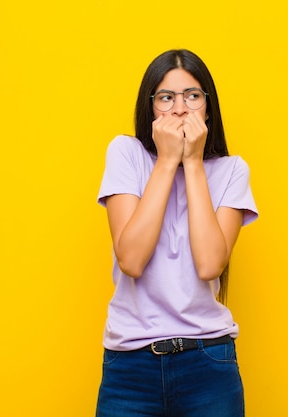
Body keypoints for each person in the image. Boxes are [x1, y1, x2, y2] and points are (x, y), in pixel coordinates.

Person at [95, 49, 258, 417]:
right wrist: (168, 160)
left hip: (208, 363)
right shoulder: (126, 153)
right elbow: (132, 260)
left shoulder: (232, 170)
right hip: (129, 367)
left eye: (192, 96)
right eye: (166, 98)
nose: (180, 109)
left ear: (208, 107)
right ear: (150, 108)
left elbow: (209, 265)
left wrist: (193, 162)